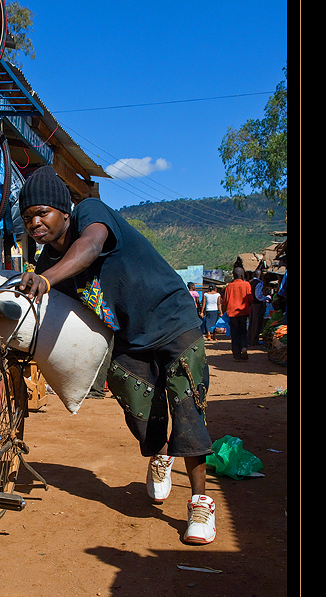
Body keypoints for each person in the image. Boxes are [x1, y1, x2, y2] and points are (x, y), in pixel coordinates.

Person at [16, 166, 216, 545]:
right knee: (142, 415)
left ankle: (200, 503)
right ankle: (160, 457)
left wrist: (46, 279)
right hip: (127, 339)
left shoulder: (91, 212)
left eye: (42, 212)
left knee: (187, 409)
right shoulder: (45, 264)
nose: (35, 222)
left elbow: (89, 247)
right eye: (28, 218)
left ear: (64, 211)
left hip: (173, 319)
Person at [221, 267, 252, 361]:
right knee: (243, 331)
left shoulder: (229, 286)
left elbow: (225, 301)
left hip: (232, 313)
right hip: (244, 312)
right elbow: (251, 299)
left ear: (234, 275)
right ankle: (244, 348)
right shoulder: (247, 285)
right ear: (242, 275)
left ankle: (236, 355)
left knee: (235, 333)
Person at [248, 267, 268, 348]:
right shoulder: (259, 283)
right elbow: (258, 296)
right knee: (256, 322)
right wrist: (266, 298)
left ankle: (249, 339)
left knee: (251, 322)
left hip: (251, 304)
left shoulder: (250, 282)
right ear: (260, 275)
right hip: (257, 304)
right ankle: (254, 340)